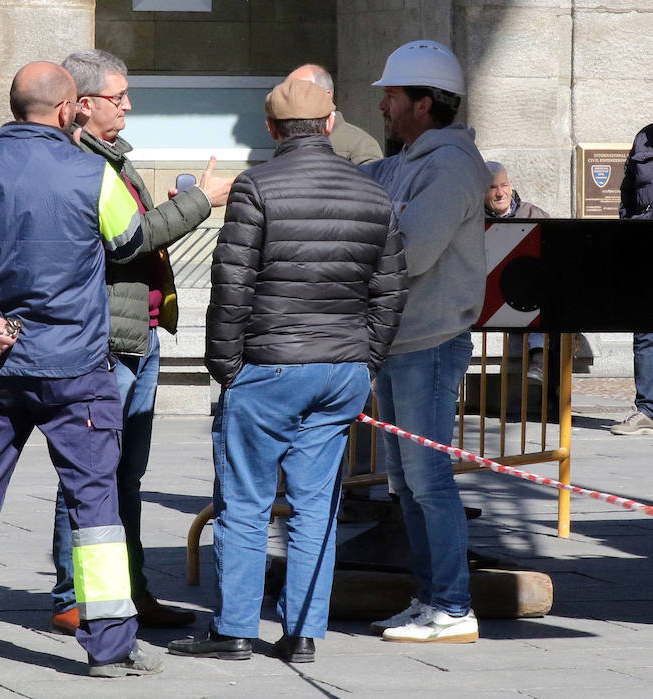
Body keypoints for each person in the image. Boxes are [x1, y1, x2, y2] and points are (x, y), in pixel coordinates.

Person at [0, 61, 162, 678]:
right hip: (76, 368)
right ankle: (109, 645)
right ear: (65, 109)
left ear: (12, 105)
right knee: (96, 504)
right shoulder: (92, 172)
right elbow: (129, 243)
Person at [166, 79, 407, 663]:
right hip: (342, 369)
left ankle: (236, 630)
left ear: (272, 130)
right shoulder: (372, 190)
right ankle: (302, 633)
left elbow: (232, 286)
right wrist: (364, 357)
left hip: (269, 366)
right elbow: (390, 290)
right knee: (315, 504)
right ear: (329, 125)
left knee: (245, 502)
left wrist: (224, 366)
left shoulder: (257, 186)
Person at [48, 48, 234, 634]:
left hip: (139, 334)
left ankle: (127, 590)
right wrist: (200, 200)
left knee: (125, 473)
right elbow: (129, 242)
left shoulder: (113, 160)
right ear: (81, 105)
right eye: (118, 96)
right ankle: (73, 594)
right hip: (106, 340)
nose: (128, 104)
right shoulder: (84, 164)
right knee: (90, 469)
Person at [361, 40, 489, 643]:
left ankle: (453, 605)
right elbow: (358, 186)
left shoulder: (449, 164)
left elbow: (410, 250)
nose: (383, 105)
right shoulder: (410, 159)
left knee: (427, 478)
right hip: (401, 342)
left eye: (391, 94)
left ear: (423, 102)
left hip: (429, 344)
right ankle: (430, 598)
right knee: (407, 481)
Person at [484, 160, 550, 383]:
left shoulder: (533, 214)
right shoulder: (469, 217)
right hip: (483, 297)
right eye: (493, 187)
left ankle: (539, 360)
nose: (500, 193)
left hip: (522, 295)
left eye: (504, 185)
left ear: (511, 185)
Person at [612, 124, 653, 435]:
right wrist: (628, 223)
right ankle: (647, 409)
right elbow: (628, 187)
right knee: (645, 331)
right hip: (644, 245)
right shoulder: (644, 136)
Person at [286, 63, 383, 164]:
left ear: (326, 96)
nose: (289, 100)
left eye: (300, 92)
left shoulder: (360, 145)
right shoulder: (286, 140)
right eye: (285, 93)